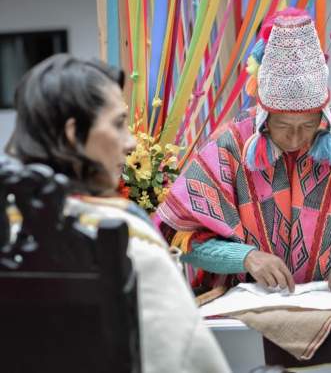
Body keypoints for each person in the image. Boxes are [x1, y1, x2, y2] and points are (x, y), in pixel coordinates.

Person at [154, 8, 331, 293]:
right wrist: (246, 258)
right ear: (263, 115)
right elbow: (180, 237)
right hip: (248, 307)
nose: (296, 138)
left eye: (309, 124)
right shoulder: (231, 144)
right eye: (283, 125)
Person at [6, 54, 231, 373]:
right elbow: (187, 362)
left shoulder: (9, 237)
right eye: (117, 123)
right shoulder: (128, 245)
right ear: (74, 134)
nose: (131, 142)